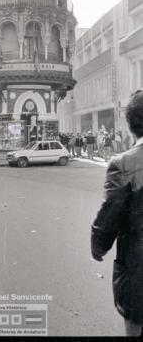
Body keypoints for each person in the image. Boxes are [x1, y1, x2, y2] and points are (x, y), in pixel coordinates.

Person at [91, 89, 143, 336]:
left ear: (133, 124)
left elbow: (110, 216)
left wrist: (98, 246)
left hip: (138, 268)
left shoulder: (123, 165)